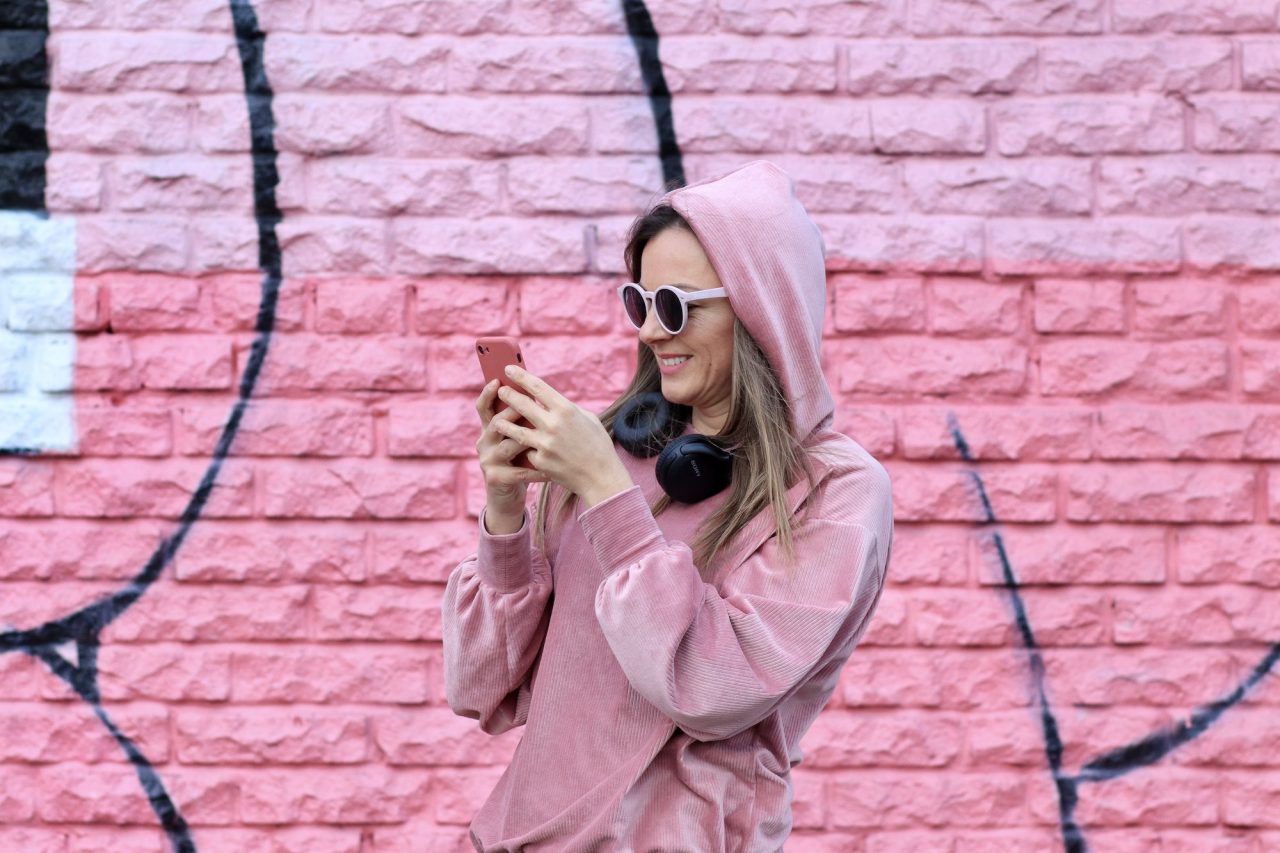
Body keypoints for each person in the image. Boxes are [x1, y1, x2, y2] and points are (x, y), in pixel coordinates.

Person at [441, 160, 893, 852]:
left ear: (759, 308)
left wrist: (608, 498)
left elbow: (712, 689)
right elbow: (483, 686)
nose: (652, 332)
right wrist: (506, 514)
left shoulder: (837, 492)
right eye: (639, 303)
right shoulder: (615, 454)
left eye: (676, 306)